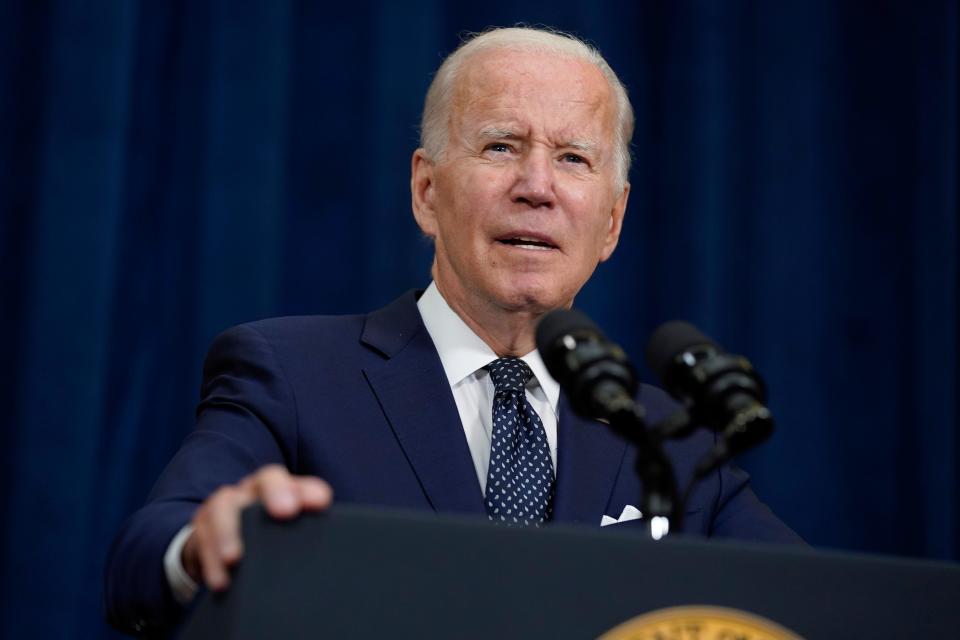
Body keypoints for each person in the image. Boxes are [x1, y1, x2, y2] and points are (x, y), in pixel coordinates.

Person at [105, 26, 802, 636]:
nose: (537, 185)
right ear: (427, 192)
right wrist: (202, 546)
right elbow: (147, 551)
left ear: (612, 221)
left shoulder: (673, 442)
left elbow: (811, 603)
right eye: (501, 146)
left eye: (572, 158)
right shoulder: (290, 373)